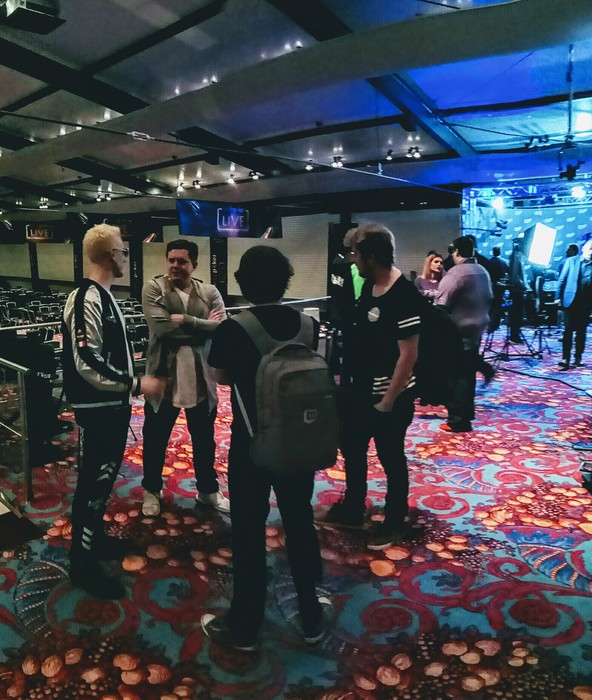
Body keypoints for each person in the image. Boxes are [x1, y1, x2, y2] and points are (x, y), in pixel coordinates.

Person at [202, 245, 330, 651]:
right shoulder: (308, 325)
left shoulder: (234, 328)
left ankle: (245, 626)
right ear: (285, 281)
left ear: (243, 283)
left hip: (252, 445)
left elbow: (221, 377)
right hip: (300, 443)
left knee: (248, 532)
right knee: (299, 522)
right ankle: (311, 615)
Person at [61, 224, 163, 599]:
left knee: (101, 483)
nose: (126, 257)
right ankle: (81, 563)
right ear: (110, 255)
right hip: (97, 410)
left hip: (111, 408)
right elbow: (87, 361)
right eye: (123, 251)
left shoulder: (104, 296)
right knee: (92, 484)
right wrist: (135, 384)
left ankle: (94, 540)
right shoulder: (85, 298)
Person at [323, 223, 421, 550]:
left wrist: (388, 401)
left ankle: (394, 520)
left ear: (372, 257)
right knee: (352, 447)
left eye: (356, 255)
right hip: (361, 389)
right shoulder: (369, 286)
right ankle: (353, 507)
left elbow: (408, 354)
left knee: (391, 456)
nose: (353, 261)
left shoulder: (403, 293)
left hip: (391, 394)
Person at [141, 239, 229, 516]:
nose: (175, 266)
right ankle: (151, 490)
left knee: (204, 440)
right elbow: (162, 329)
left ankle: (208, 491)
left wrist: (189, 321)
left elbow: (223, 328)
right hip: (162, 378)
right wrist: (206, 327)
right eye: (171, 260)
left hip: (201, 379)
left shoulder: (209, 291)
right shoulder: (154, 288)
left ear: (194, 264)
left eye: (182, 261)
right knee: (155, 439)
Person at [435, 236, 492, 432]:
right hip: (478, 328)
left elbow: (441, 306)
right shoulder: (482, 270)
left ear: (456, 251)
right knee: (468, 373)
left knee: (457, 376)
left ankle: (457, 420)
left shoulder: (456, 273)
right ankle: (467, 413)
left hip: (458, 332)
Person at [556, 238, 592, 370]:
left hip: (585, 303)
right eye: (590, 249)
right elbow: (562, 280)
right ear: (584, 249)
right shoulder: (571, 261)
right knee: (568, 331)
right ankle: (565, 358)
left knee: (581, 332)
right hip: (570, 301)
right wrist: (558, 297)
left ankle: (578, 357)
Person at [507, 238, 530, 343]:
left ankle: (515, 333)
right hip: (517, 289)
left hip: (518, 289)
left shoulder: (517, 257)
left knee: (518, 313)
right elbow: (516, 275)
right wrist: (522, 285)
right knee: (517, 313)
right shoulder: (516, 257)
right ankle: (514, 335)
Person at [487, 246, 509, 333]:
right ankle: (496, 324)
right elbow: (507, 274)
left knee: (492, 306)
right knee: (498, 305)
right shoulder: (503, 262)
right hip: (500, 287)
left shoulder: (489, 262)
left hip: (491, 286)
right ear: (500, 252)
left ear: (493, 252)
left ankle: (491, 324)